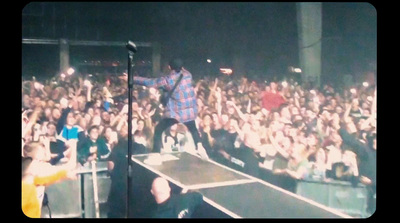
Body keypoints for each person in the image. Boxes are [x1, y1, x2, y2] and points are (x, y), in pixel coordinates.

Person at [131, 58, 207, 157]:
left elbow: (149, 82)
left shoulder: (167, 80)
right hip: (189, 112)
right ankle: (200, 146)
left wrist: (132, 78)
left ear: (169, 67)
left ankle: (155, 154)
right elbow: (182, 70)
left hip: (176, 113)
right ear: (182, 67)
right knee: (193, 128)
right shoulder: (188, 75)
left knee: (158, 129)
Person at [22, 141, 77, 218]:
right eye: (43, 151)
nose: (45, 152)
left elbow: (48, 178)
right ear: (37, 154)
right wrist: (74, 146)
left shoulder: (30, 166)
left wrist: (63, 175)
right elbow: (71, 166)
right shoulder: (39, 167)